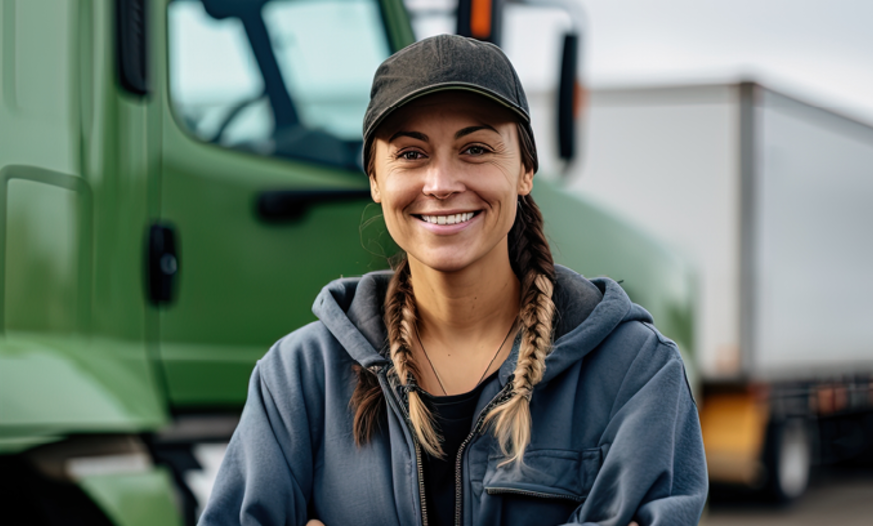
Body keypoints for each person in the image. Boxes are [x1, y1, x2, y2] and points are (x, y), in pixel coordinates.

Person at [199, 34, 708, 526]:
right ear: (375, 180)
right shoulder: (298, 379)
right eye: (411, 154)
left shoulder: (634, 372)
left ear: (525, 171)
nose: (442, 184)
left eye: (477, 149)